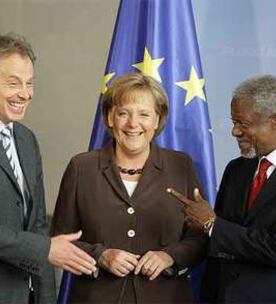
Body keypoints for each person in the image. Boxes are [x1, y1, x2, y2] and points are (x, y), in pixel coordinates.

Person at [0, 34, 97, 304]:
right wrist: (45, 249)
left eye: (30, 83)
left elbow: (36, 224)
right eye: (14, 83)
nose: (25, 93)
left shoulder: (26, 138)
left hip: (26, 294)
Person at [168, 75, 276, 303]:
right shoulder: (237, 169)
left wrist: (211, 224)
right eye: (234, 122)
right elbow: (219, 247)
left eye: (243, 124)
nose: (235, 132)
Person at [51, 72, 205, 303]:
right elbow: (61, 239)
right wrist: (101, 255)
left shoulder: (180, 166)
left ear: (157, 120)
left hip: (165, 297)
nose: (133, 124)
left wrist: (169, 256)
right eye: (123, 113)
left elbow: (200, 235)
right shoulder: (82, 167)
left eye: (144, 114)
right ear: (110, 118)